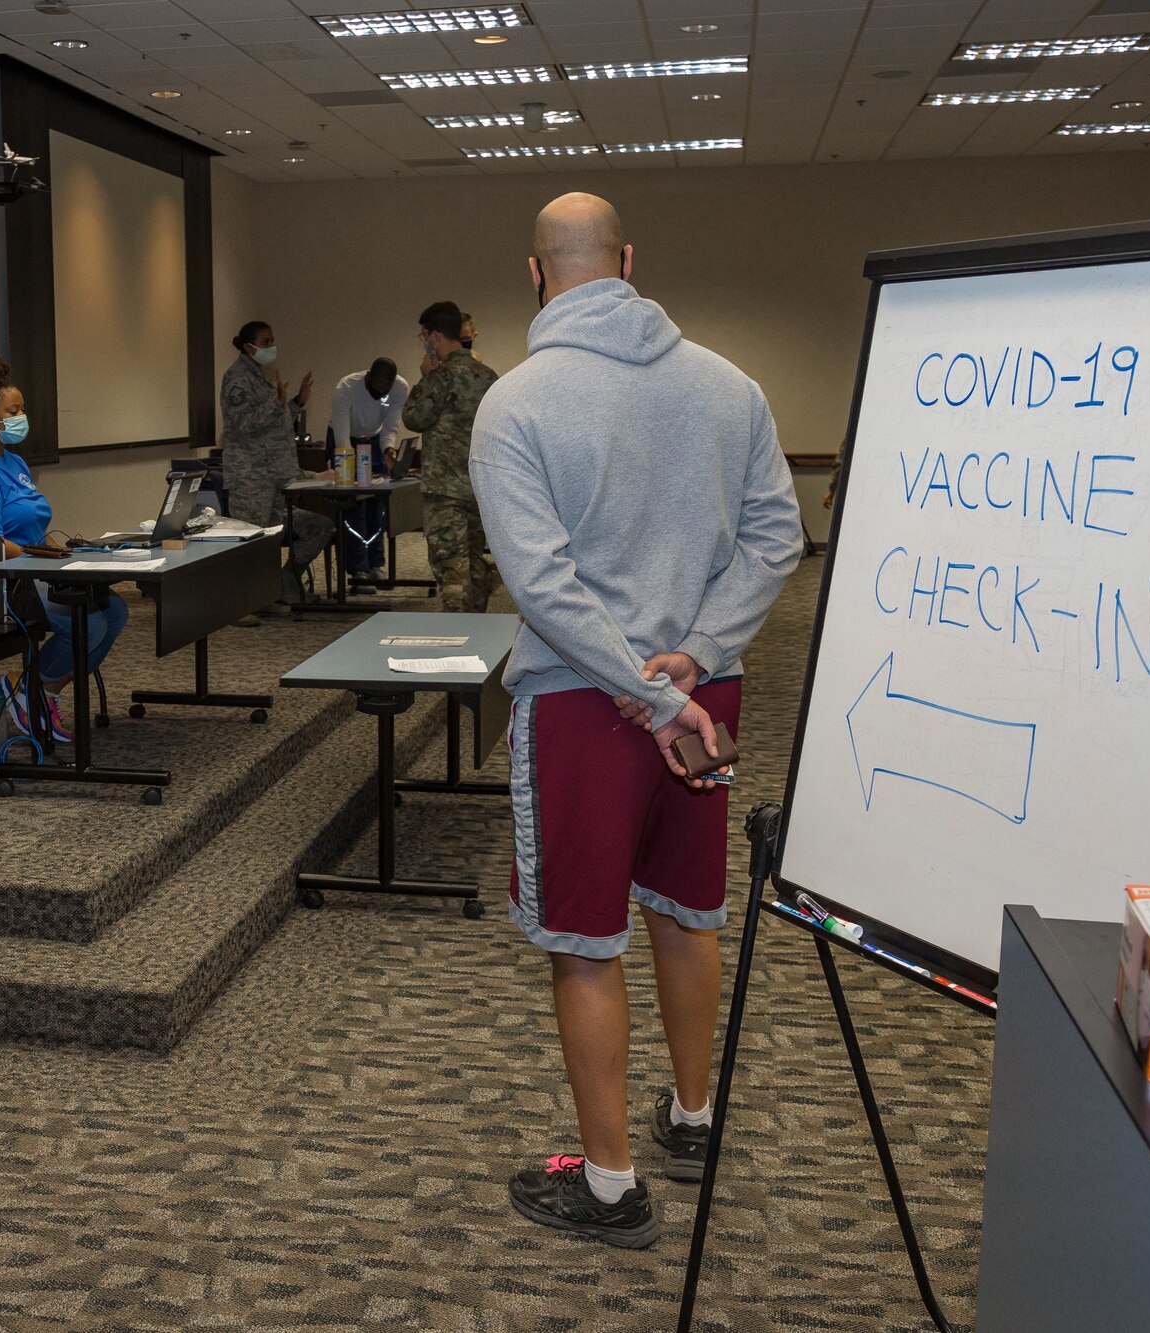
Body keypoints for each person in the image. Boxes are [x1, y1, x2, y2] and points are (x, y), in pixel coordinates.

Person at [472, 195, 802, 1246]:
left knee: (581, 940)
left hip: (584, 703)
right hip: (704, 695)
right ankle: (691, 1120)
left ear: (534, 275)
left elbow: (546, 588)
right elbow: (774, 541)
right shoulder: (731, 386)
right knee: (684, 908)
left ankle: (609, 1187)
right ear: (626, 261)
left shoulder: (512, 405)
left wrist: (647, 691)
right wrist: (690, 666)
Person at [0, 358, 126, 741]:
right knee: (89, 623)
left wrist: (65, 555)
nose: (21, 417)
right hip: (4, 581)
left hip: (35, 567)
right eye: (13, 411)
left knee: (115, 610)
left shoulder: (12, 461)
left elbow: (33, 526)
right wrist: (43, 561)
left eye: (22, 409)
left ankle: (39, 692)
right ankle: (31, 690)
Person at [220, 320, 333, 608]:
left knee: (293, 534)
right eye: (266, 341)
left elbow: (273, 424)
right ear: (249, 346)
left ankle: (279, 588)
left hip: (273, 478)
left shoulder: (262, 375)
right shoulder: (237, 379)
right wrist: (277, 404)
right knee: (250, 544)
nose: (271, 347)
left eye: (272, 340)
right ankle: (240, 605)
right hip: (250, 478)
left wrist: (295, 403)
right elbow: (242, 424)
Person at [404, 300, 498, 612]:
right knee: (474, 563)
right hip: (478, 488)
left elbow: (413, 418)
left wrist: (423, 380)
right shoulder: (487, 376)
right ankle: (482, 636)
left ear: (435, 336)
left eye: (424, 337)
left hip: (444, 492)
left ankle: (459, 639)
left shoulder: (440, 377)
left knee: (451, 569)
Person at [325, 357, 408, 578]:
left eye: (384, 391)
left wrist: (389, 451)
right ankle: (357, 568)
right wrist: (349, 469)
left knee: (376, 506)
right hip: (344, 440)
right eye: (376, 390)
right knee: (354, 506)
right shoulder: (346, 388)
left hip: (374, 439)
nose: (380, 395)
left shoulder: (400, 388)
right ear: (368, 376)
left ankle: (375, 563)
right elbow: (342, 437)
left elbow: (390, 427)